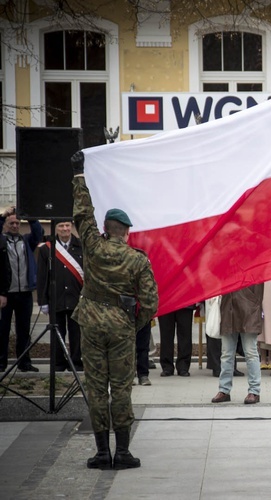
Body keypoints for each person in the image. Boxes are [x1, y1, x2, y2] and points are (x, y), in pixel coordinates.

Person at [70, 151, 159, 471]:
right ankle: (122, 452)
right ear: (126, 231)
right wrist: (132, 324)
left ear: (106, 228)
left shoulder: (92, 245)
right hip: (121, 327)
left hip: (90, 323)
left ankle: (101, 452)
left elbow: (83, 213)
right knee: (121, 387)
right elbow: (150, 301)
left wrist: (80, 176)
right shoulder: (137, 259)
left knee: (96, 386)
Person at [36, 220, 84, 372]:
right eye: (61, 226)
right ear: (56, 228)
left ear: (72, 227)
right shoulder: (46, 249)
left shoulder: (81, 246)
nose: (65, 229)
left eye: (67, 225)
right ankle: (58, 363)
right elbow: (42, 277)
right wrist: (42, 300)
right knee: (57, 333)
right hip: (56, 298)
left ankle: (76, 362)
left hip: (77, 298)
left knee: (77, 333)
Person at [0, 208, 43, 372]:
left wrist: (30, 217)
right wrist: (3, 216)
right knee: (2, 329)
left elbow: (38, 234)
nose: (15, 226)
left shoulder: (26, 241)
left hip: (25, 293)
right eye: (11, 223)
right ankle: (1, 363)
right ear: (5, 225)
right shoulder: (2, 241)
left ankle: (24, 363)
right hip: (6, 294)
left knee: (24, 330)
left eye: (17, 223)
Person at [211, 284, 264, 404]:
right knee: (226, 353)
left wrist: (254, 301)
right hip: (228, 306)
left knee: (250, 352)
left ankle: (254, 391)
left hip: (249, 308)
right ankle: (224, 390)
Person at [157, 307, 193, 377]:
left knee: (185, 334)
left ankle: (183, 366)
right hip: (166, 301)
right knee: (166, 334)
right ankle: (167, 366)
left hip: (185, 301)